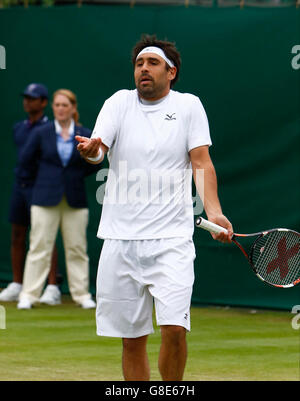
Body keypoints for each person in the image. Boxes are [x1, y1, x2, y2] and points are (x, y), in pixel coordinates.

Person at [76, 35, 233, 381]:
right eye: (139, 64)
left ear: (171, 71)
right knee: (131, 341)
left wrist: (215, 211)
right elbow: (99, 148)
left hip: (172, 241)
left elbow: (201, 162)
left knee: (175, 330)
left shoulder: (189, 106)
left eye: (153, 63)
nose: (143, 69)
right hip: (120, 240)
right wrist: (92, 152)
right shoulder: (118, 103)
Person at [17, 89, 99, 310]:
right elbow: (25, 162)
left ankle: (82, 295)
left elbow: (95, 163)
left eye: (65, 105)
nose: (60, 109)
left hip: (75, 198)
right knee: (39, 247)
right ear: (52, 107)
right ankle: (29, 294)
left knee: (76, 248)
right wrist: (42, 184)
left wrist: (74, 176)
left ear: (73, 108)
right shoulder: (41, 133)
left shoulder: (83, 133)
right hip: (44, 198)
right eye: (57, 105)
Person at [0, 83, 60, 304]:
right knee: (17, 234)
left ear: (44, 103)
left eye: (33, 98)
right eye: (26, 97)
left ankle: (52, 287)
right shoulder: (19, 128)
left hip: (41, 187)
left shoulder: (51, 129)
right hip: (20, 186)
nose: (28, 101)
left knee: (45, 237)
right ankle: (17, 283)